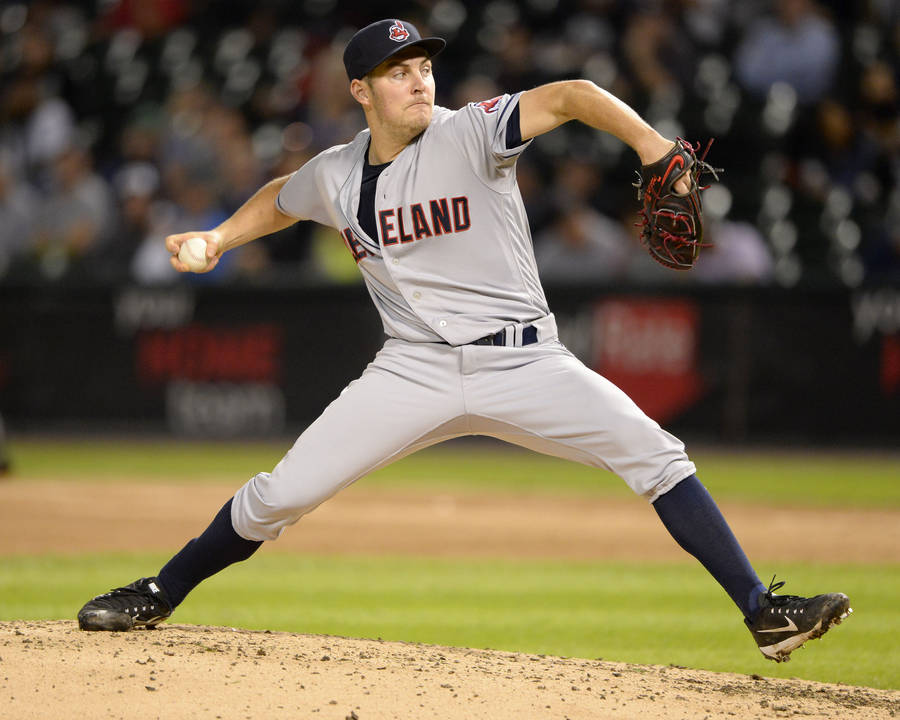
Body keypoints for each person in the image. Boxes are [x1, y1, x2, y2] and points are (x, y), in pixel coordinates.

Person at [77, 19, 851, 663]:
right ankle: (159, 591)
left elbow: (575, 96)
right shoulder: (337, 173)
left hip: (524, 361)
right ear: (360, 91)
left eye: (423, 67)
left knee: (655, 453)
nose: (419, 81)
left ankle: (762, 611)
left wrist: (653, 147)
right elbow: (282, 198)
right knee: (281, 494)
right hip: (411, 370)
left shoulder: (473, 132)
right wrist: (218, 239)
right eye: (398, 72)